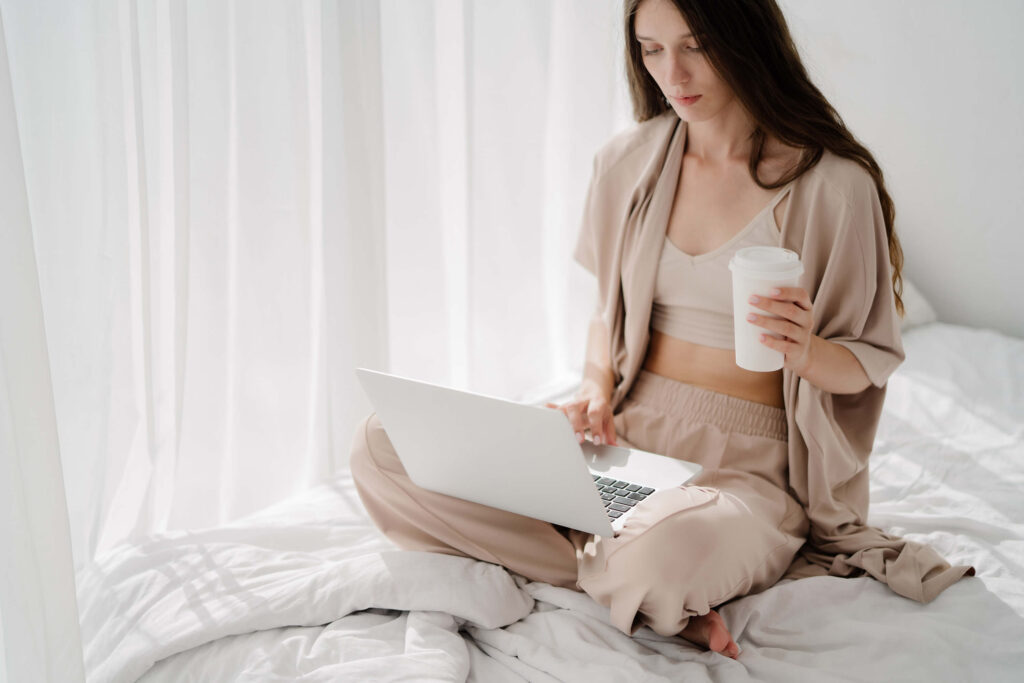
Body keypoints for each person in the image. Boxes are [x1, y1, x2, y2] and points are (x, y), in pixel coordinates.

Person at [350, 0, 974, 661]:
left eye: (695, 45)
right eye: (651, 49)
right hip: (624, 439)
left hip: (747, 471)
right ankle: (625, 581)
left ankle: (621, 570)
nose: (671, 72)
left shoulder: (833, 186)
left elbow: (868, 359)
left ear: (745, 39)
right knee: (381, 446)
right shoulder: (627, 162)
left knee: (658, 552)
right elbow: (605, 311)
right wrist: (593, 386)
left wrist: (808, 350)